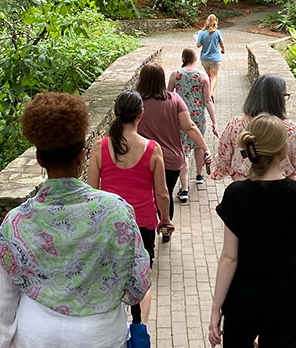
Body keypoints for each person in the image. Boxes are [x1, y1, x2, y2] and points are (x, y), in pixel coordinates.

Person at [0, 92, 151, 348]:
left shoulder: (17, 223)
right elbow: (137, 286)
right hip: (101, 341)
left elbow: (4, 303)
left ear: (39, 158)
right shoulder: (116, 211)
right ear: (82, 154)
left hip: (41, 344)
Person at [208, 114, 296, 348]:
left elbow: (229, 257)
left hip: (241, 296)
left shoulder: (236, 194)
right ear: (283, 150)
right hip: (284, 293)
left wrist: (216, 308)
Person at [87, 90, 172, 324]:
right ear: (140, 115)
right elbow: (162, 193)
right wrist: (164, 219)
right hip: (142, 223)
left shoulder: (100, 147)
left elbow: (92, 192)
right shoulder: (153, 149)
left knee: (112, 278)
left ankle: (114, 331)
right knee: (142, 282)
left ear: (116, 114)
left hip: (110, 224)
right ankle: (139, 335)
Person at [211, 74, 296, 221]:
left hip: (243, 199)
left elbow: (223, 159)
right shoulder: (290, 130)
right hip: (283, 201)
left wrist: (237, 175)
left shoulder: (235, 125)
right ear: (278, 99)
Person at [136, 63, 212, 242]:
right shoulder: (174, 99)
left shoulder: (136, 102)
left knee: (146, 195)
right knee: (166, 193)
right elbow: (190, 127)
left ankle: (146, 231)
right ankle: (166, 229)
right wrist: (205, 147)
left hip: (142, 158)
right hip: (170, 160)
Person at [167, 47, 218, 202]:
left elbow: (168, 96)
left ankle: (184, 189)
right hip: (197, 117)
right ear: (195, 59)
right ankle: (199, 175)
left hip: (179, 118)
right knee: (198, 146)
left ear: (183, 58)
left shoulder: (175, 74)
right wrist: (214, 122)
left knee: (183, 151)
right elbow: (208, 101)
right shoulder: (202, 76)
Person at [196, 14, 224, 97]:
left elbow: (198, 45)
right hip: (215, 58)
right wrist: (223, 50)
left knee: (208, 76)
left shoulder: (201, 32)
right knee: (214, 77)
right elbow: (221, 44)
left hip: (205, 58)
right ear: (216, 21)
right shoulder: (217, 32)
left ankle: (207, 92)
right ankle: (211, 93)